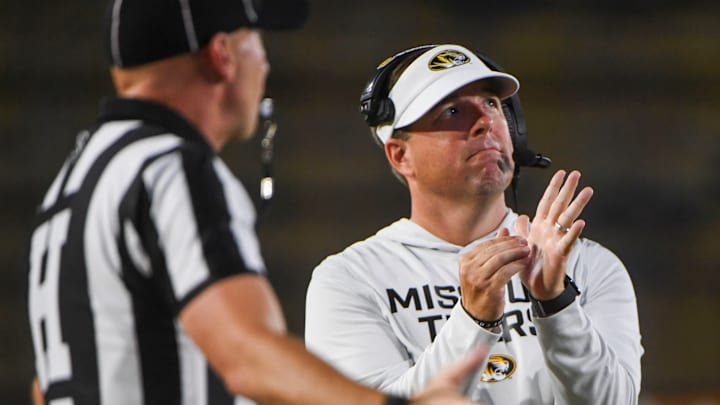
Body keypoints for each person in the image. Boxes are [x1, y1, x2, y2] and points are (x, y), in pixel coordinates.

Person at [25, 3, 489, 404]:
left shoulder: (76, 179)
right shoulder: (169, 168)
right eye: (256, 42)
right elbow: (246, 354)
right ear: (222, 55)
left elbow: (46, 387)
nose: (264, 65)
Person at [305, 44, 644, 404]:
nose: (486, 122)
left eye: (491, 104)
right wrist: (473, 320)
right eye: (451, 111)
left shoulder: (589, 265)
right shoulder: (349, 280)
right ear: (401, 155)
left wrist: (556, 303)